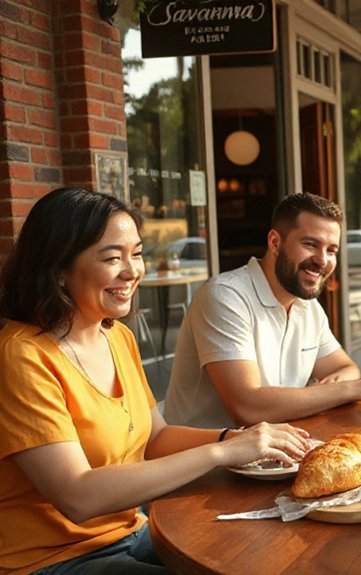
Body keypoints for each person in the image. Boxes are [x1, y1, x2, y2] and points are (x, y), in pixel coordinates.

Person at [0, 187, 312, 575]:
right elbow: (76, 495)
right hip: (52, 559)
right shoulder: (21, 355)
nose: (132, 271)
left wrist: (233, 439)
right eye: (113, 258)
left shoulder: (115, 336)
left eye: (137, 254)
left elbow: (156, 437)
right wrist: (221, 454)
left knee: (267, 553)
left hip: (132, 530)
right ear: (59, 269)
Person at [163, 193, 361, 428]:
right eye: (310, 244)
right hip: (206, 466)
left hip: (277, 455)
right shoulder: (225, 296)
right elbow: (247, 406)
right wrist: (351, 390)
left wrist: (338, 388)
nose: (323, 260)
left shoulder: (308, 308)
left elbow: (346, 368)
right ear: (275, 242)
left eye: (332, 250)